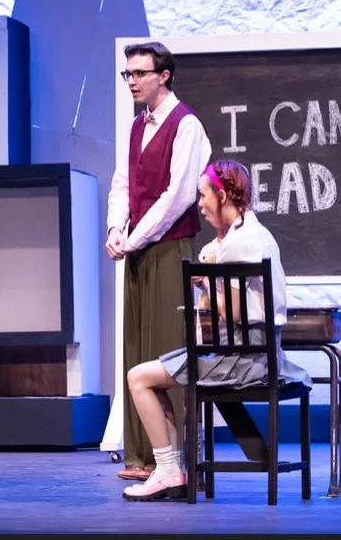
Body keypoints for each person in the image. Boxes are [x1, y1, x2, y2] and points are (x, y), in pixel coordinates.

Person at [122, 160, 312, 500]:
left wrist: (208, 280)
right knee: (155, 377)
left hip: (241, 359)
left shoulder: (239, 243)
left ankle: (167, 470)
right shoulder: (254, 234)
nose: (200, 204)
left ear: (222, 196)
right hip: (258, 354)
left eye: (203, 196)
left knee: (138, 377)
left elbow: (233, 314)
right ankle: (173, 469)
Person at [106, 41, 212, 481]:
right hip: (138, 248)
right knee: (137, 346)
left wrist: (134, 238)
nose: (131, 81)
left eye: (139, 73)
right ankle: (144, 457)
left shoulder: (186, 124)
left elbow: (178, 196)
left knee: (169, 351)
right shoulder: (137, 126)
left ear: (163, 75)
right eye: (127, 74)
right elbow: (123, 183)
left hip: (169, 248)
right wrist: (115, 229)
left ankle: (176, 458)